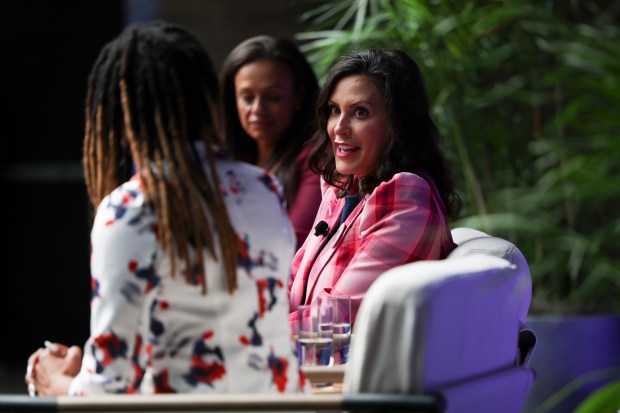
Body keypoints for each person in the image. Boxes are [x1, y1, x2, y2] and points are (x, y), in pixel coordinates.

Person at [24, 21, 305, 396]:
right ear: (207, 98)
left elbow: (107, 392)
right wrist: (86, 366)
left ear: (122, 113)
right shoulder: (263, 187)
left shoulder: (130, 210)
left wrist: (55, 380)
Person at [288, 48, 461, 330]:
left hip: (341, 371)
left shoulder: (406, 199)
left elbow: (339, 318)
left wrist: (246, 339)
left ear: (398, 125)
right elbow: (295, 284)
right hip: (306, 361)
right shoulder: (342, 189)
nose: (339, 128)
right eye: (334, 110)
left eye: (360, 113)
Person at [219, 35, 321, 250]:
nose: (257, 110)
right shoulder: (227, 156)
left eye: (273, 98)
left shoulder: (316, 158)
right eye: (247, 98)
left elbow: (291, 246)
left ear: (299, 97)